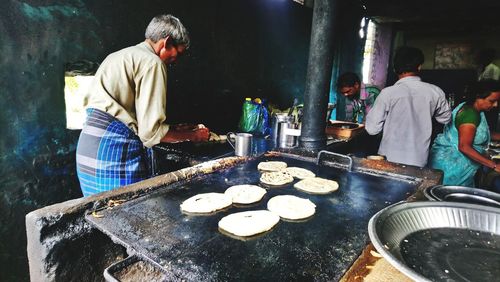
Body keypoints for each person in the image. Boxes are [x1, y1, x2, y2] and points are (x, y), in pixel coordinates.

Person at [76, 14, 209, 197]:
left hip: (88, 151)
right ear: (166, 43)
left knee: (101, 216)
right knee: (127, 216)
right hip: (113, 154)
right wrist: (193, 135)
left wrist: (173, 129)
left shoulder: (120, 56)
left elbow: (125, 113)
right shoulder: (152, 62)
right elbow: (150, 134)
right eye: (178, 52)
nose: (176, 60)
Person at [365, 46, 452, 167]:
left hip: (388, 159)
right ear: (419, 66)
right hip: (419, 159)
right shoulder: (435, 92)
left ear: (395, 68)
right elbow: (445, 119)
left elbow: (372, 129)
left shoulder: (388, 93)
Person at [429, 80, 500, 186]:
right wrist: (494, 165)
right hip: (452, 167)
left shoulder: (471, 109)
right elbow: (464, 147)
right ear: (478, 97)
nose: (495, 105)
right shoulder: (470, 115)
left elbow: (478, 133)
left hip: (453, 164)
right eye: (491, 101)